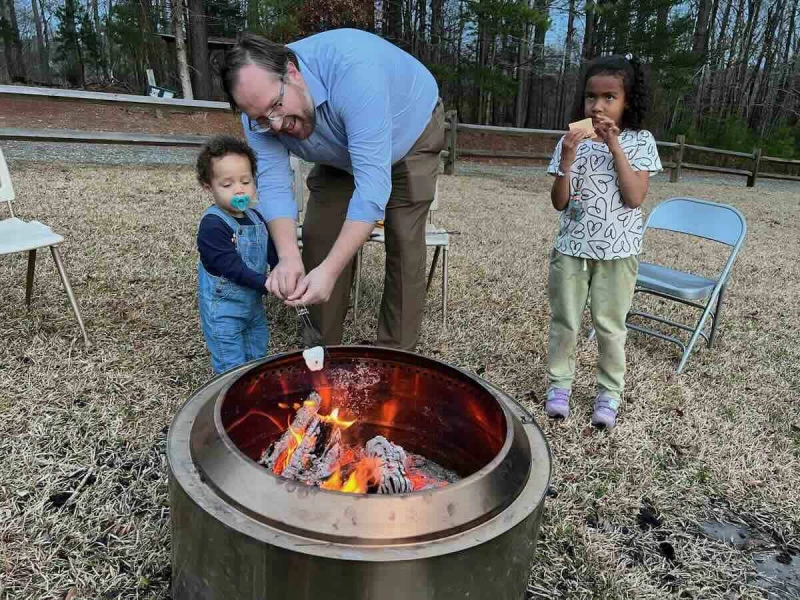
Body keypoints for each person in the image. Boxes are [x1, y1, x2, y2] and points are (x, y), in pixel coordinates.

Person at [220, 28, 445, 351]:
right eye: (261, 118)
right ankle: (323, 351)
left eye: (277, 106)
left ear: (293, 72)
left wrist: (331, 269)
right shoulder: (257, 116)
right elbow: (273, 185)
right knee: (319, 235)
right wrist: (287, 258)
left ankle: (395, 357)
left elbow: (371, 190)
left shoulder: (355, 72)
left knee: (404, 240)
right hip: (338, 148)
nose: (277, 125)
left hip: (410, 130)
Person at [544, 54, 662, 428]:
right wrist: (566, 158)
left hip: (618, 252)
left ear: (628, 101)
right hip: (571, 249)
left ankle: (608, 393)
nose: (597, 106)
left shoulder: (640, 141)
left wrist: (615, 147)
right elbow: (559, 202)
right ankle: (559, 385)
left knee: (610, 326)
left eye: (609, 97)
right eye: (590, 97)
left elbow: (634, 197)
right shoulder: (571, 140)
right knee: (565, 321)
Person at [196, 135, 271, 373]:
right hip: (223, 310)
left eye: (246, 181)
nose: (239, 190)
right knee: (231, 365)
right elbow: (232, 267)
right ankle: (230, 400)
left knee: (257, 354)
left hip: (253, 306)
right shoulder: (213, 226)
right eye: (227, 185)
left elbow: (271, 249)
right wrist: (268, 283)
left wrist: (281, 270)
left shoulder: (256, 217)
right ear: (209, 187)